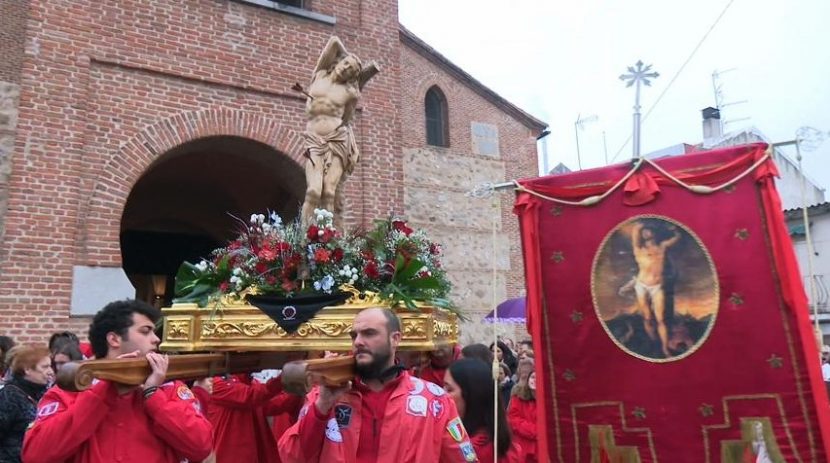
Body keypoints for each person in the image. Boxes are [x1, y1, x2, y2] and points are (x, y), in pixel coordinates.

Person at [22, 299, 213, 463]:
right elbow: (35, 455)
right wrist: (105, 389)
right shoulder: (67, 390)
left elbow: (201, 446)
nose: (156, 339)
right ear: (114, 339)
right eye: (146, 331)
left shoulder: (169, 388)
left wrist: (153, 396)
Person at [278, 308, 478, 462]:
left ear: (395, 339)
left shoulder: (435, 401)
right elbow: (292, 456)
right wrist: (322, 406)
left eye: (369, 333)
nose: (358, 342)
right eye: (354, 336)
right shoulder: (324, 396)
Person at [298, 36, 379, 224]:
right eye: (345, 63)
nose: (346, 68)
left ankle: (329, 240)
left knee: (328, 193)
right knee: (313, 191)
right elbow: (334, 41)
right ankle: (303, 239)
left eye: (351, 69)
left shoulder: (350, 93)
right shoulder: (319, 74)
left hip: (336, 139)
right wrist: (349, 55)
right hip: (314, 139)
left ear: (353, 76)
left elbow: (346, 120)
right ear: (339, 61)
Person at [208, 372, 302, 463]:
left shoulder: (251, 384)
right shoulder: (217, 383)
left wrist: (299, 388)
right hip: (227, 457)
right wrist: (284, 378)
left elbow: (275, 404)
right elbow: (251, 396)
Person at [444, 359, 522, 463]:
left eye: (449, 390)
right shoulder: (496, 437)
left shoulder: (473, 450)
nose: (441, 394)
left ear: (472, 396)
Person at [0, 345, 53, 462]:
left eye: (50, 366)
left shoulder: (45, 393)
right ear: (27, 369)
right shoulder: (9, 395)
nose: (50, 372)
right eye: (45, 367)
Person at [508, 371, 538, 463]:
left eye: (538, 377)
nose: (535, 380)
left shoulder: (549, 401)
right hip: (522, 447)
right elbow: (513, 420)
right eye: (532, 377)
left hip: (540, 449)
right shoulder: (517, 398)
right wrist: (535, 430)